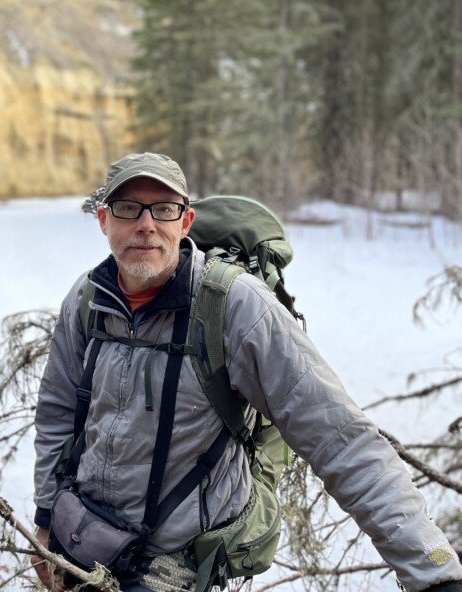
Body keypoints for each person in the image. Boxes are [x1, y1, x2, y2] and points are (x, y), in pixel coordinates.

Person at [30, 152, 462, 592]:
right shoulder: (87, 299)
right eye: (128, 208)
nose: (146, 225)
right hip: (82, 536)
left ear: (185, 222)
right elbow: (57, 414)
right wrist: (46, 521)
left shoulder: (233, 306)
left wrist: (434, 572)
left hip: (173, 562)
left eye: (164, 210)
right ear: (104, 220)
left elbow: (341, 438)